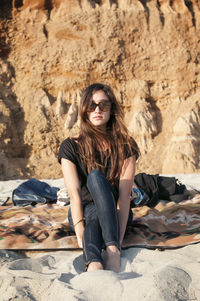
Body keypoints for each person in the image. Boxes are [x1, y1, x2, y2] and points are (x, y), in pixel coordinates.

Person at [58, 83, 139, 272]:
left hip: (114, 211)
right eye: (92, 105)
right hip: (83, 212)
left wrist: (116, 242)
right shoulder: (70, 146)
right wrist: (80, 232)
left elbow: (124, 195)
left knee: (95, 178)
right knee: (93, 211)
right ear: (84, 109)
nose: (97, 110)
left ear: (112, 109)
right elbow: (75, 195)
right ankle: (94, 260)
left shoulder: (126, 145)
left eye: (103, 105)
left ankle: (107, 254)